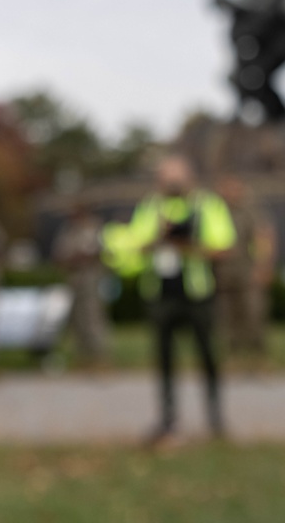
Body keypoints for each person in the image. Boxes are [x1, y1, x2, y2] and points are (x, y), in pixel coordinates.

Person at [103, 155, 236, 443]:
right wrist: (158, 238)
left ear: (190, 177)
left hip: (198, 294)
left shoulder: (207, 205)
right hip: (160, 294)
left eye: (177, 177)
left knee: (207, 357)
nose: (172, 184)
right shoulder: (150, 206)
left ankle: (215, 420)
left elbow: (223, 247)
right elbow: (136, 245)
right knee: (164, 360)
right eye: (167, 178)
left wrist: (185, 244)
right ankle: (167, 420)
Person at [213, 175, 275, 361]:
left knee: (254, 313)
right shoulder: (214, 212)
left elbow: (263, 238)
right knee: (227, 316)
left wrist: (263, 266)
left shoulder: (251, 211)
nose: (230, 192)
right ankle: (233, 357)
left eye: (234, 188)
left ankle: (259, 357)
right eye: (225, 188)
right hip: (222, 273)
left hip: (247, 271)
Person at [52, 203, 110, 365]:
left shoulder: (94, 227)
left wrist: (83, 257)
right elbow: (59, 254)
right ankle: (83, 356)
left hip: (91, 279)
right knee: (76, 319)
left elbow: (99, 251)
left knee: (93, 316)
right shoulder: (68, 230)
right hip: (73, 279)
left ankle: (99, 355)